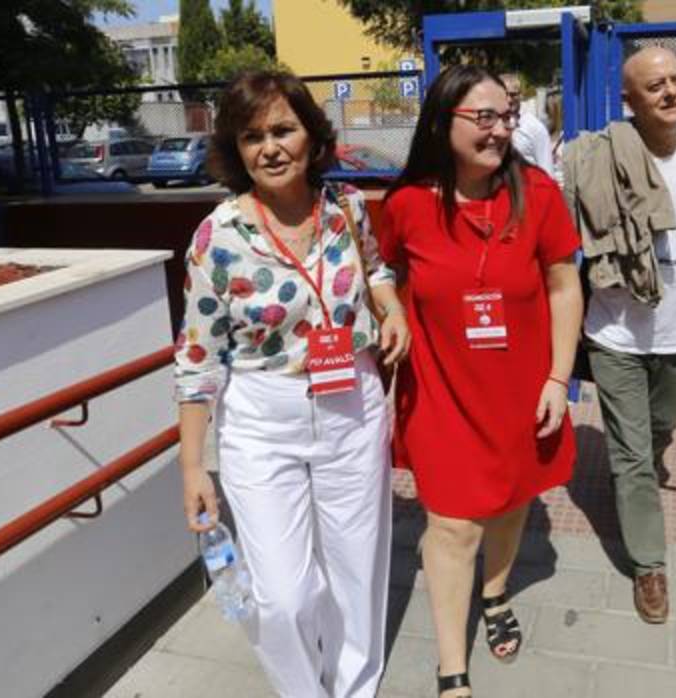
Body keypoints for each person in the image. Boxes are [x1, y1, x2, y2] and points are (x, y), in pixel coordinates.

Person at [174, 70, 409, 697]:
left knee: (356, 572)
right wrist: (195, 467)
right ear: (235, 149)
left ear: (312, 136)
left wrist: (392, 306)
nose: (270, 147)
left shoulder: (346, 207)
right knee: (283, 595)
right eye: (252, 137)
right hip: (261, 416)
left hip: (350, 406)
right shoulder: (217, 237)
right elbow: (197, 357)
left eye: (283, 129)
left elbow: (377, 265)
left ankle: (355, 687)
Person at [378, 65, 583, 698]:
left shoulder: (538, 194)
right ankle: (452, 669)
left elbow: (564, 284)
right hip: (440, 390)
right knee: (454, 525)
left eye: (507, 116)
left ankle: (494, 594)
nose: (500, 130)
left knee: (512, 499)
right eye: (484, 118)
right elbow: (382, 269)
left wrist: (558, 376)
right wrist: (389, 308)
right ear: (443, 122)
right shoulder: (407, 203)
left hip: (521, 386)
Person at [565, 46, 676, 624]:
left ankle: (640, 469)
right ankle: (649, 564)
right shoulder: (596, 158)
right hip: (614, 330)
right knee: (632, 456)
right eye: (654, 86)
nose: (671, 92)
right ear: (629, 100)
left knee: (659, 430)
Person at [500, 72, 554, 175]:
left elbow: (547, 171)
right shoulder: (493, 126)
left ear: (520, 95)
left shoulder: (535, 127)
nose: (508, 99)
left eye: (513, 95)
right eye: (504, 94)